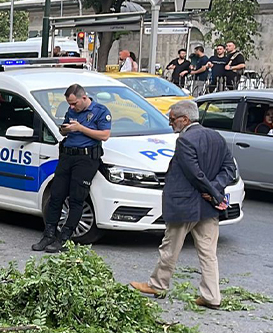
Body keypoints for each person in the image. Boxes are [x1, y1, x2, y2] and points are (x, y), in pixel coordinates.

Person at [130, 100, 237, 309]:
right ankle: (212, 296)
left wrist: (212, 191)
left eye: (172, 120)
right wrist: (215, 190)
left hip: (185, 204)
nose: (171, 125)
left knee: (170, 247)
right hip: (207, 207)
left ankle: (158, 285)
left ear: (185, 119)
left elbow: (193, 172)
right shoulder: (216, 137)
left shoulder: (185, 140)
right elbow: (229, 169)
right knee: (208, 252)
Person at [31, 84, 112, 253]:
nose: (72, 107)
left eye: (74, 103)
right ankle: (49, 235)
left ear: (84, 97)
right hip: (68, 155)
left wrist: (80, 128)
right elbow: (65, 131)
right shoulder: (71, 112)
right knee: (56, 195)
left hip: (86, 158)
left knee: (76, 198)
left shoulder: (100, 111)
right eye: (69, 104)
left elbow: (104, 135)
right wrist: (66, 129)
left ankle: (65, 238)